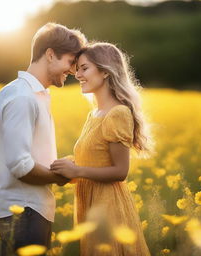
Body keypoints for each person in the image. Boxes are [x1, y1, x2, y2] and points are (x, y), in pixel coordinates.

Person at [0, 23, 86, 256]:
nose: (73, 71)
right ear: (50, 54)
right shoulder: (22, 97)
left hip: (30, 209)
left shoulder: (35, 94)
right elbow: (20, 165)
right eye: (71, 62)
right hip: (24, 210)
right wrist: (62, 177)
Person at [51, 42, 152, 256]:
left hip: (107, 207)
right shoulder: (94, 114)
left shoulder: (118, 113)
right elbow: (95, 161)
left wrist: (77, 171)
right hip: (90, 204)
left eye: (84, 68)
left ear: (105, 71)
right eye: (77, 68)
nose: (77, 74)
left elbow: (120, 171)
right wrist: (67, 167)